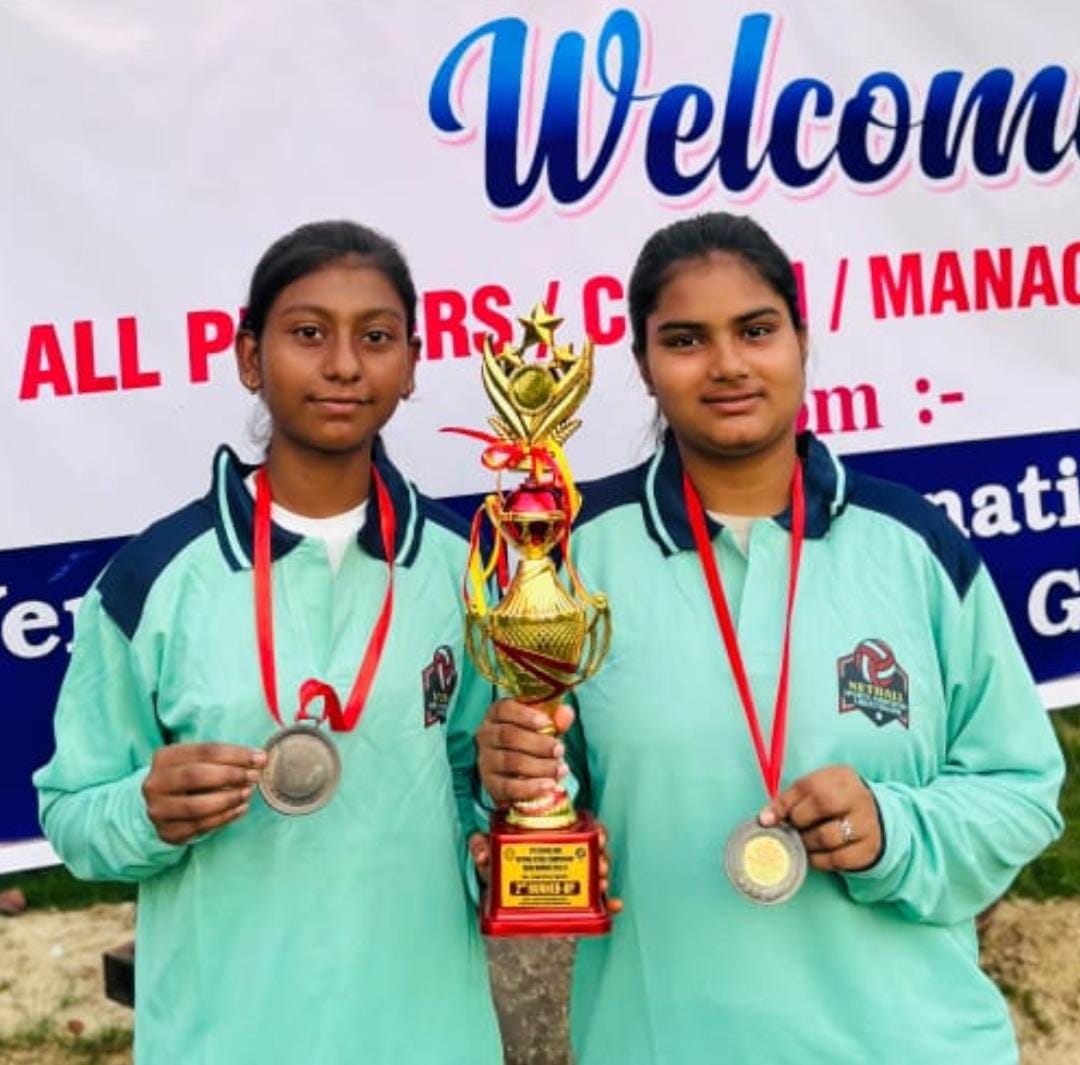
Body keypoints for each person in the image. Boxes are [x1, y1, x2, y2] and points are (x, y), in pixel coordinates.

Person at [475, 212, 1065, 1064]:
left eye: (756, 329)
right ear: (642, 365)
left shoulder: (912, 543)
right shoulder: (565, 553)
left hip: (911, 1041)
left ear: (801, 336)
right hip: (667, 1040)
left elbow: (1021, 786)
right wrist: (510, 781)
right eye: (685, 339)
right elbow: (515, 803)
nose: (727, 364)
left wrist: (894, 830)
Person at [35, 220, 502, 1064]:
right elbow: (71, 811)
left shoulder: (462, 567)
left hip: (426, 1028)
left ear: (411, 365)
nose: (343, 365)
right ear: (251, 357)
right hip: (227, 1032)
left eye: (377, 336)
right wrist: (145, 807)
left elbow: (480, 781)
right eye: (308, 332)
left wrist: (506, 830)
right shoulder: (154, 579)